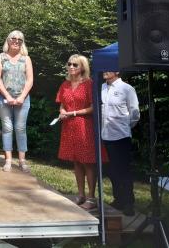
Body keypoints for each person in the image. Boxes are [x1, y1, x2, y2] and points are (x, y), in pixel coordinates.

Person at [56, 55, 103, 211]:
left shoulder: (89, 84)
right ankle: (80, 195)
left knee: (87, 162)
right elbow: (62, 104)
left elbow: (93, 107)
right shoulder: (65, 84)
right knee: (76, 161)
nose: (71, 67)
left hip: (84, 126)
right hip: (69, 126)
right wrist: (62, 111)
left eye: (75, 65)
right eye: (69, 64)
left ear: (82, 67)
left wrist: (74, 113)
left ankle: (91, 197)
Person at [0, 30, 33, 172]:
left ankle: (22, 160)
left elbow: (30, 80)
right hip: (4, 98)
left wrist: (21, 97)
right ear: (8, 40)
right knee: (7, 128)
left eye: (20, 40)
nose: (16, 41)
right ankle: (8, 160)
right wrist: (8, 97)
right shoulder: (0, 57)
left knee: (20, 128)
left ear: (22, 43)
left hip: (23, 98)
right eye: (13, 38)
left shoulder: (26, 58)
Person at [101, 71, 140, 216]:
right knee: (112, 170)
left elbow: (135, 113)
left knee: (124, 170)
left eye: (108, 69)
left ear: (117, 72)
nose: (105, 72)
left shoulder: (127, 89)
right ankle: (119, 199)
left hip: (121, 136)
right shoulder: (102, 88)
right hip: (105, 135)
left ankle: (129, 203)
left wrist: (124, 127)